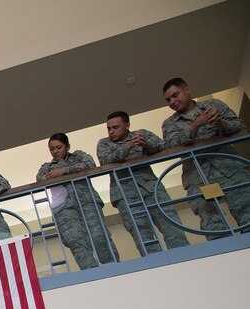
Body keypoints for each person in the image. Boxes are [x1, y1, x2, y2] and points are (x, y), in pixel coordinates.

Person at [161, 77, 250, 235]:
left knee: (245, 207)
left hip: (229, 167)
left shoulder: (214, 106)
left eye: (175, 95)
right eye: (168, 100)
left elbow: (239, 126)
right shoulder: (169, 123)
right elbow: (172, 146)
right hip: (197, 175)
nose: (172, 101)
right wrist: (196, 124)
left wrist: (221, 123)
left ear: (187, 89)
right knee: (210, 219)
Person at [96, 111, 190, 255]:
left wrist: (146, 145)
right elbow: (105, 160)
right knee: (140, 231)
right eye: (109, 128)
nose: (111, 132)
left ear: (127, 125)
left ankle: (183, 255)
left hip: (150, 187)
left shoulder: (141, 134)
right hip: (124, 194)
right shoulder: (104, 143)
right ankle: (155, 263)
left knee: (169, 220)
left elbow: (162, 146)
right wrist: (128, 147)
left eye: (115, 127)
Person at [37, 133, 119, 270]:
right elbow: (40, 179)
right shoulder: (46, 167)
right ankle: (91, 271)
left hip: (87, 201)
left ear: (67, 146)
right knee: (75, 240)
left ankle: (112, 268)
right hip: (63, 208)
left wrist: (65, 170)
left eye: (59, 147)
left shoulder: (78, 156)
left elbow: (90, 164)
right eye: (52, 149)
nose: (55, 151)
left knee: (99, 236)